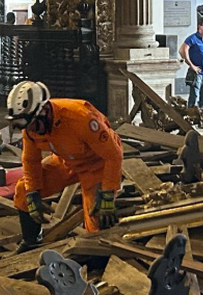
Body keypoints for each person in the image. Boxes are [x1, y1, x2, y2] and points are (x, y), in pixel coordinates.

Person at [8, 81, 122, 248]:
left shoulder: (81, 117)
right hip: (67, 160)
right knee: (23, 191)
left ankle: (98, 256)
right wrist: (33, 193)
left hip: (96, 163)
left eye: (32, 124)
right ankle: (31, 242)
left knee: (96, 216)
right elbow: (31, 160)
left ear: (45, 111)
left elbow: (113, 155)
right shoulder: (30, 127)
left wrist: (107, 195)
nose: (30, 130)